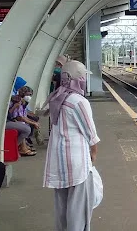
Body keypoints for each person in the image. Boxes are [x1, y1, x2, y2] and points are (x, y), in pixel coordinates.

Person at [43, 60, 99, 231]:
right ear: (76, 79)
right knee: (79, 210)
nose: (84, 79)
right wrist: (93, 155)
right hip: (76, 163)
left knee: (62, 207)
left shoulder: (57, 97)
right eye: (82, 76)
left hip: (58, 161)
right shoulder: (78, 101)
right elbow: (91, 135)